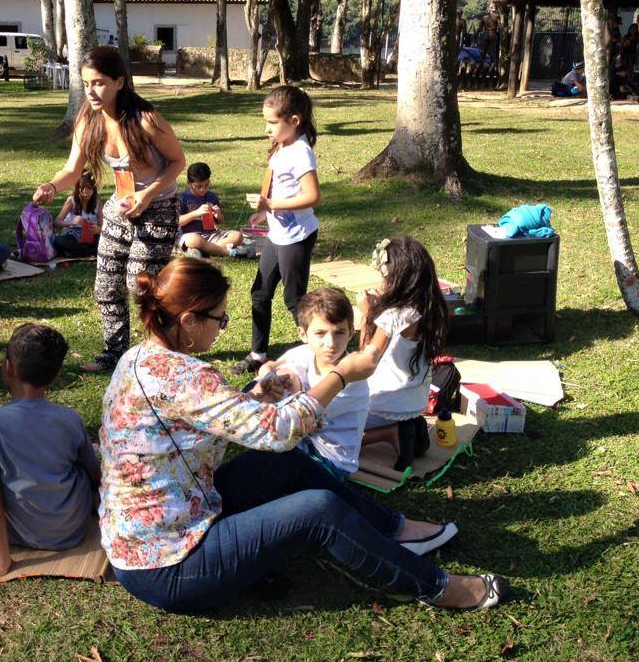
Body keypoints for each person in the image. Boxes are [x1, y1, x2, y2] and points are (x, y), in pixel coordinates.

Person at [100, 258, 507, 612]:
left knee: (287, 464)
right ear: (188, 320)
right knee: (318, 509)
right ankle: (437, 587)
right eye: (219, 319)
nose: (222, 328)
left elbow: (205, 420)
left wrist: (256, 394)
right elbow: (280, 430)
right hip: (170, 565)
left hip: (172, 522)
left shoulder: (140, 358)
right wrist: (341, 374)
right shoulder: (186, 376)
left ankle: (392, 530)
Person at [32, 46, 185, 373]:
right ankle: (114, 353)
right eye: (87, 84)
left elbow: (177, 162)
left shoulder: (146, 120)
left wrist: (148, 196)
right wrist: (51, 186)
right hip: (121, 206)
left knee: (138, 285)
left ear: (119, 82)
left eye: (99, 83)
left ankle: (163, 346)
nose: (91, 91)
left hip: (157, 207)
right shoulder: (87, 119)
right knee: (106, 283)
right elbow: (72, 170)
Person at [0, 324, 100, 579]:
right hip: (73, 531)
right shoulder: (69, 419)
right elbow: (95, 474)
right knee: (88, 454)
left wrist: (2, 562)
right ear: (56, 376)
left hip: (19, 534)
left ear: (8, 367)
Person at [235, 86, 321, 374]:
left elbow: (313, 197)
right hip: (277, 234)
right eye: (266, 122)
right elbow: (273, 180)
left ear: (294, 121)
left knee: (295, 301)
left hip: (296, 237)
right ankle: (258, 354)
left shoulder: (301, 152)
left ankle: (318, 356)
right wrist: (264, 210)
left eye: (272, 122)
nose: (266, 128)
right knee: (260, 292)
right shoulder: (282, 146)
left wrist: (272, 203)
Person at [256, 287, 372, 481]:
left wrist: (290, 387)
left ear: (351, 332)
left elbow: (301, 419)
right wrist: (268, 373)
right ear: (303, 334)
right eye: (320, 333)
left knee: (272, 470)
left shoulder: (353, 376)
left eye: (339, 333)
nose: (331, 343)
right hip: (299, 445)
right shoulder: (302, 353)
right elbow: (270, 367)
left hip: (330, 460)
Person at [360, 237, 448, 472]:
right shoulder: (431, 308)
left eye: (384, 277)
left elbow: (367, 358)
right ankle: (411, 429)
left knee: (331, 433)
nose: (381, 282)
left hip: (384, 404)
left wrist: (367, 314)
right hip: (414, 402)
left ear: (397, 279)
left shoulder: (394, 315)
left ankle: (390, 433)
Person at [177, 162, 247, 259]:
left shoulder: (211, 197)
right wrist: (196, 213)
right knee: (195, 240)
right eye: (198, 186)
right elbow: (177, 221)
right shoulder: (183, 198)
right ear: (189, 184)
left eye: (206, 185)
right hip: (190, 235)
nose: (203, 189)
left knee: (238, 236)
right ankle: (228, 252)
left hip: (211, 235)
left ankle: (205, 250)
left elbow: (219, 221)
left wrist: (218, 215)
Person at [53, 172, 102, 258]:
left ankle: (77, 252)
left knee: (103, 240)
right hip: (72, 235)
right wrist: (72, 223)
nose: (85, 191)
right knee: (59, 241)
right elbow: (56, 223)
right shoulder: (71, 201)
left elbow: (103, 227)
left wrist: (97, 229)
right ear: (77, 188)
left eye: (89, 188)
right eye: (82, 188)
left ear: (94, 189)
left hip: (90, 236)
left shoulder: (98, 203)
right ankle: (89, 252)